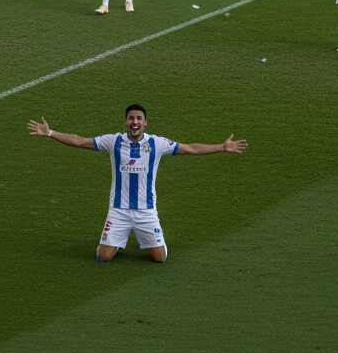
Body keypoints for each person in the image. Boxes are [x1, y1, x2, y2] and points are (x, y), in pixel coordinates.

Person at [26, 103, 247, 263]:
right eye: (131, 118)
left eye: (138, 119)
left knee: (160, 258)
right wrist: (50, 133)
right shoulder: (113, 141)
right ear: (126, 121)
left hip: (146, 211)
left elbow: (190, 148)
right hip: (118, 210)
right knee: (103, 257)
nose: (135, 122)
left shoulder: (158, 143)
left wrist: (221, 147)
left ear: (145, 122)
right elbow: (79, 140)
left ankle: (143, 238)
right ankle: (116, 240)